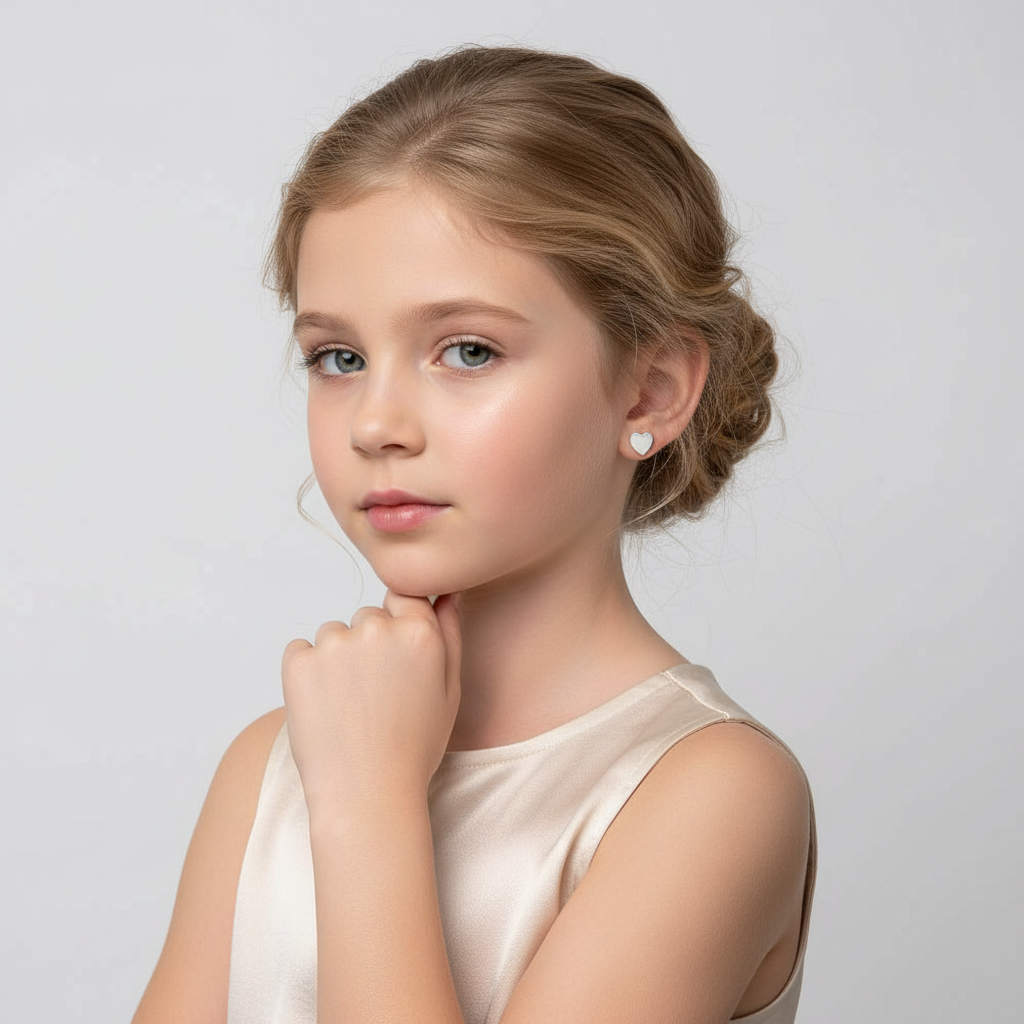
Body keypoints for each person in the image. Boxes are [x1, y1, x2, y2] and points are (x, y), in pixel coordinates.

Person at [132, 44, 816, 1024]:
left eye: (466, 350)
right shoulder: (273, 764)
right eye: (337, 356)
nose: (376, 422)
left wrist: (369, 809)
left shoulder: (712, 794)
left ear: (652, 388)